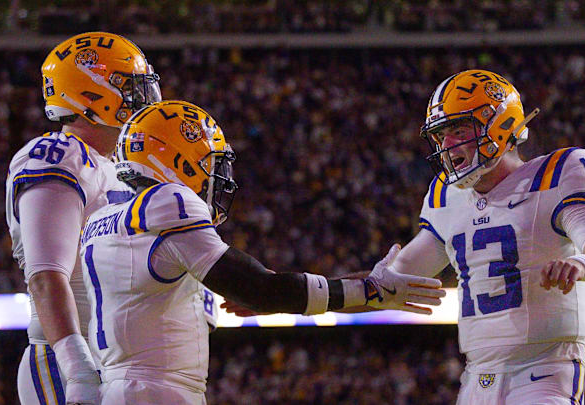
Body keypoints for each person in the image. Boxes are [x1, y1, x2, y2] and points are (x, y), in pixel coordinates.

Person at [79, 100, 446, 404]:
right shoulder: (167, 201)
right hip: (154, 391)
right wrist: (367, 292)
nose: (214, 175)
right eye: (208, 162)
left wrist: (367, 284)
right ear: (178, 157)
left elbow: (262, 289)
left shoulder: (106, 217)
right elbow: (262, 288)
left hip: (123, 386)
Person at [381, 69, 585, 404]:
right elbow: (390, 280)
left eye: (458, 129)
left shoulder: (555, 174)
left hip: (545, 371)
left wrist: (581, 264)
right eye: (440, 135)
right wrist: (318, 292)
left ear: (498, 124)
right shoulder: (445, 195)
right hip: (476, 379)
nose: (447, 145)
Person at [5, 32, 161, 405]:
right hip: (71, 362)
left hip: (118, 363)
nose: (141, 99)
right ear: (90, 96)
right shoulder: (57, 156)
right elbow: (45, 276)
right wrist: (78, 368)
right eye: (128, 87)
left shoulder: (117, 168)